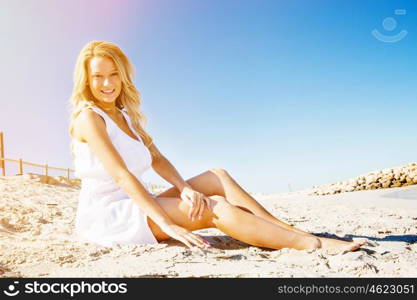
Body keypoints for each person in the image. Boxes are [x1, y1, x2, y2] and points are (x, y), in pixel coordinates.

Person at [68, 41, 366, 253]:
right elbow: (121, 175)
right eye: (98, 76)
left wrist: (183, 187)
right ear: (87, 79)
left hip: (136, 202)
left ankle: (287, 229)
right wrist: (166, 223)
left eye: (113, 74)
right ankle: (311, 244)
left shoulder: (125, 117)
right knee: (213, 208)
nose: (107, 83)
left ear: (123, 75)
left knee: (216, 176)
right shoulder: (89, 118)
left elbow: (157, 158)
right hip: (109, 216)